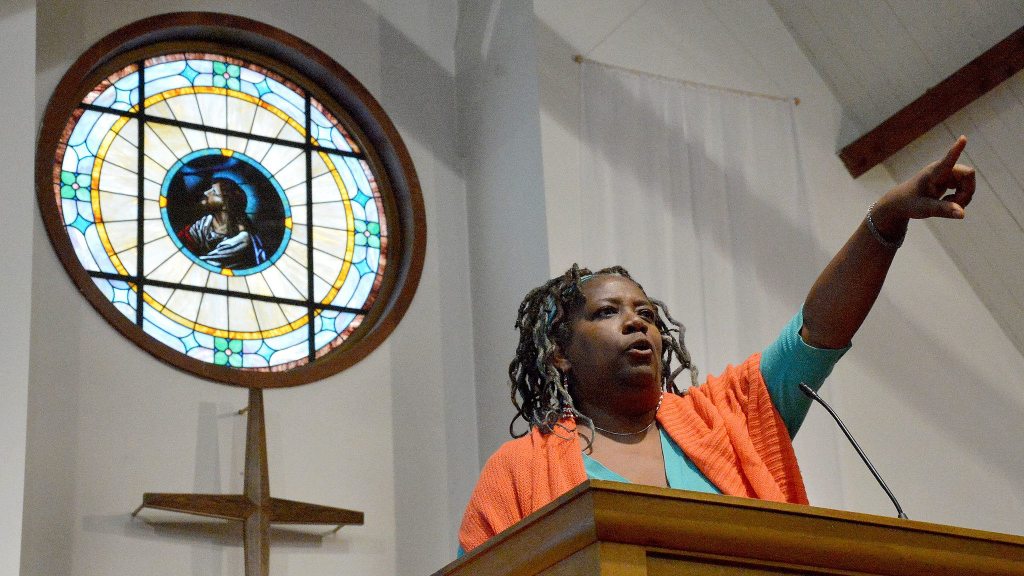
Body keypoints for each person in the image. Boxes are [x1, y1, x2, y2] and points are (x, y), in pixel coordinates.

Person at [458, 137, 976, 553]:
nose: (638, 325)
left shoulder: (729, 419)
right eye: (607, 313)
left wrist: (885, 219)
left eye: (646, 314)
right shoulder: (520, 470)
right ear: (559, 353)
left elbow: (817, 332)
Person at [178, 178, 267, 269]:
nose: (206, 193)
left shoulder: (242, 240)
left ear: (225, 202)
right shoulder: (204, 224)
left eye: (213, 191)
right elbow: (180, 243)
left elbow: (204, 266)